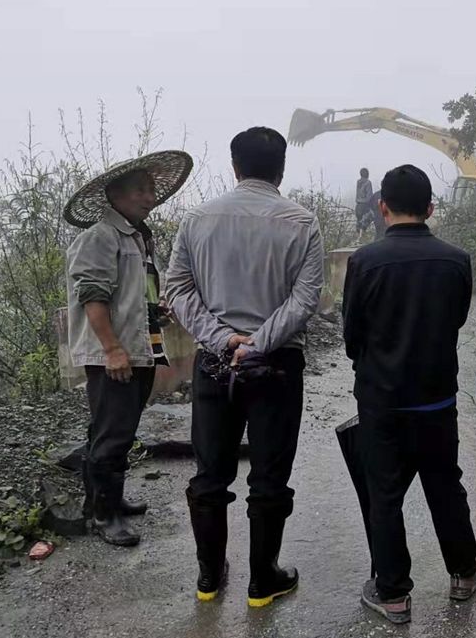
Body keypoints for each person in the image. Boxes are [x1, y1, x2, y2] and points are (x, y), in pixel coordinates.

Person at [166, 127, 324, 607]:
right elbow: (305, 298)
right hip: (277, 366)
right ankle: (262, 581)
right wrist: (259, 342)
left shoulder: (197, 219)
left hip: (214, 365)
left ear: (234, 167)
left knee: (211, 473)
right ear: (280, 169)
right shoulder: (303, 223)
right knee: (269, 475)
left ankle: (209, 578)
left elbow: (177, 290)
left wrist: (223, 340)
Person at [342, 164, 476, 625]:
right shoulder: (456, 260)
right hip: (437, 400)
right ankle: (463, 573)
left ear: (382, 206)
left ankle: (393, 595)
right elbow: (457, 320)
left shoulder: (364, 262)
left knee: (385, 494)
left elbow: (352, 336)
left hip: (382, 402)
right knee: (445, 484)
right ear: (430, 208)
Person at [64, 150, 194, 547]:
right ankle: (105, 515)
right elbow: (93, 295)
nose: (148, 196)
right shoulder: (100, 237)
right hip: (114, 353)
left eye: (151, 189)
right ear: (115, 196)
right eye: (140, 190)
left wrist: (157, 310)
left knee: (115, 429)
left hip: (140, 348)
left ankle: (107, 499)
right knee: (113, 433)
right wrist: (112, 349)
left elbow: (136, 291)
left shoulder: (138, 238)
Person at [355, 167, 374, 242]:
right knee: (369, 217)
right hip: (365, 205)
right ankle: (361, 238)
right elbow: (369, 196)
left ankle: (359, 238)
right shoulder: (368, 182)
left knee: (359, 221)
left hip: (358, 205)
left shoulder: (358, 182)